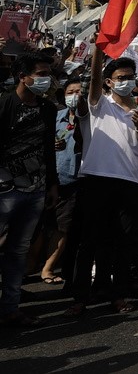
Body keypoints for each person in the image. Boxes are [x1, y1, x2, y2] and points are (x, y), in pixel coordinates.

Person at [68, 48, 138, 316]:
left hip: (129, 181)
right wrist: (97, 51)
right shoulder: (100, 105)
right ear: (109, 82)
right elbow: (92, 84)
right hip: (97, 179)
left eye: (130, 77)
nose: (126, 81)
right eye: (120, 77)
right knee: (89, 241)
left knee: (122, 242)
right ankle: (80, 297)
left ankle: (117, 295)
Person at [0, 51, 58, 327]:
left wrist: (52, 184)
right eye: (41, 74)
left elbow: (48, 149)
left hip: (35, 190)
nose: (47, 79)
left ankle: (10, 308)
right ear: (23, 77)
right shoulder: (5, 105)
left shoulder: (47, 109)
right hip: (4, 190)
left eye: (49, 73)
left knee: (18, 251)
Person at [41, 75, 81, 285]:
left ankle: (47, 268)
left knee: (62, 228)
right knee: (42, 226)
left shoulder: (90, 119)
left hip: (74, 181)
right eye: (70, 92)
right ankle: (31, 265)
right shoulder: (56, 117)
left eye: (79, 92)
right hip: (51, 179)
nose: (75, 96)